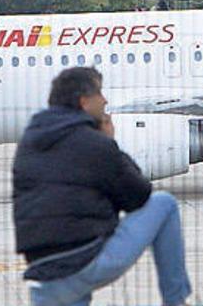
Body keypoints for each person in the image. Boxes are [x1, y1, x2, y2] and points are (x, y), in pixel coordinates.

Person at [13, 67, 191, 306]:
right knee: (164, 203)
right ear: (84, 102)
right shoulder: (94, 143)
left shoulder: (28, 144)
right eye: (99, 93)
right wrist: (111, 142)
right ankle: (176, 300)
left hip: (42, 271)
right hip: (85, 261)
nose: (105, 100)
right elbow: (138, 196)